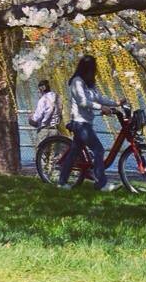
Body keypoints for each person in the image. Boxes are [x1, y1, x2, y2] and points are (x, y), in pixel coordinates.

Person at [58, 54, 121, 191]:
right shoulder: (77, 82)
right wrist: (101, 108)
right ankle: (101, 184)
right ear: (87, 68)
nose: (95, 71)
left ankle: (62, 182)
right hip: (80, 124)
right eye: (93, 69)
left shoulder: (89, 83)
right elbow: (83, 102)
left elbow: (99, 98)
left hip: (86, 123)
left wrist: (116, 103)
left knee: (74, 152)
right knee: (98, 149)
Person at [28, 79, 60, 144]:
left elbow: (37, 117)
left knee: (42, 152)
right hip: (55, 130)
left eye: (39, 90)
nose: (38, 92)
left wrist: (30, 118)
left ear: (41, 89)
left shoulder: (43, 99)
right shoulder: (57, 98)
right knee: (54, 153)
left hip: (44, 130)